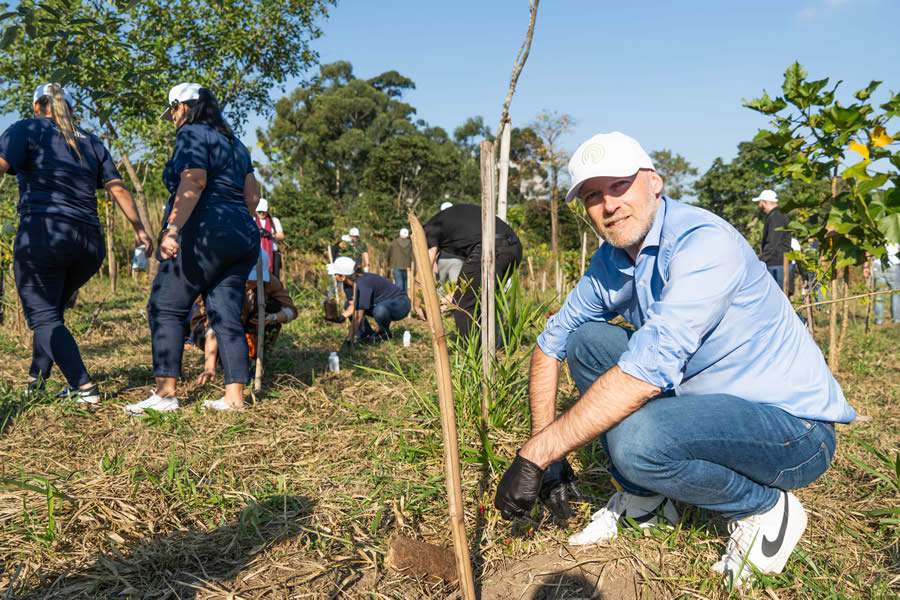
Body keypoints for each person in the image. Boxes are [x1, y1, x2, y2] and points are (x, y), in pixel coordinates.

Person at [493, 132, 855, 586]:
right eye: (592, 196)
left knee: (638, 440)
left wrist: (536, 455)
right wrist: (548, 451)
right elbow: (551, 344)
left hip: (791, 429)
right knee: (586, 340)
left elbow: (647, 373)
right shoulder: (613, 260)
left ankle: (763, 509)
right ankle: (648, 498)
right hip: (704, 403)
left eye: (619, 186)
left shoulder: (703, 243)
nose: (608, 205)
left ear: (655, 182)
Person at [0, 83, 153, 403]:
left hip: (44, 235)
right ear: (71, 109)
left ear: (35, 106)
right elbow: (118, 188)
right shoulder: (92, 142)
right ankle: (36, 379)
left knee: (42, 316)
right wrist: (140, 229)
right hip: (88, 245)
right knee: (51, 311)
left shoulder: (26, 130)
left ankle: (83, 387)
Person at [125, 83, 260, 415]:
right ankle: (233, 398)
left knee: (165, 307)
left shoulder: (192, 134)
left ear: (183, 107)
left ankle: (165, 393)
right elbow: (253, 196)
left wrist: (172, 229)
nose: (172, 117)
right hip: (242, 234)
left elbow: (194, 180)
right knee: (226, 314)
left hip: (203, 233)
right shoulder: (236, 144)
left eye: (172, 110)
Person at [190, 252, 297, 407]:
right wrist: (209, 366)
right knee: (209, 332)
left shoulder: (270, 283)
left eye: (255, 280)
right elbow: (214, 327)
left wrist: (272, 317)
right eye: (249, 279)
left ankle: (254, 358)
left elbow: (291, 310)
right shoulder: (221, 284)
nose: (252, 283)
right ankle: (229, 362)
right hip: (212, 326)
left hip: (248, 322)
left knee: (274, 308)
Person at [423, 203, 523, 340]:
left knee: (464, 306)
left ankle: (473, 356)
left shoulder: (429, 230)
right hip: (514, 249)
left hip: (490, 247)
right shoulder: (456, 227)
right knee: (483, 298)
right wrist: (453, 296)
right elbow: (472, 280)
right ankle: (492, 345)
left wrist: (420, 301)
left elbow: (425, 268)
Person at [331, 256, 410, 343]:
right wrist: (342, 317)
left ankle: (384, 333)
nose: (334, 276)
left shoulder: (363, 284)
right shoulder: (347, 285)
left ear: (343, 276)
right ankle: (366, 335)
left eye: (335, 274)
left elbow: (358, 316)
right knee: (347, 305)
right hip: (380, 305)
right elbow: (353, 305)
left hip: (400, 304)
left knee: (380, 310)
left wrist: (349, 339)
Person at [754, 189, 793, 294]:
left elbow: (772, 242)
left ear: (765, 202)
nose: (759, 205)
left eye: (760, 203)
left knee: (778, 297)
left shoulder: (776, 216)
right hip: (778, 262)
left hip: (777, 264)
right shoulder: (777, 215)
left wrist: (760, 261)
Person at [867, 243, 900, 325]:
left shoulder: (875, 232)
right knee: (896, 293)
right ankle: (896, 319)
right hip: (894, 264)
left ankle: (879, 320)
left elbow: (869, 249)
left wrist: (866, 266)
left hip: (878, 265)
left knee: (878, 295)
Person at [254, 197, 285, 278]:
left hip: (273, 254)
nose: (261, 213)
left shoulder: (274, 221)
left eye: (263, 211)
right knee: (257, 281)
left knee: (275, 279)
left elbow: (281, 236)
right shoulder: (252, 220)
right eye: (259, 211)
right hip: (257, 254)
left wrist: (270, 234)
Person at [435, 201, 463, 285]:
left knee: (440, 288)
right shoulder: (460, 224)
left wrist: (433, 263)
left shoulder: (437, 225)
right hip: (457, 260)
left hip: (442, 260)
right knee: (455, 288)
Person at [388, 227, 412, 292]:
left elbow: (388, 254)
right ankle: (404, 299)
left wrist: (388, 264)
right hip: (406, 267)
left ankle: (399, 299)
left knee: (399, 285)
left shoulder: (394, 242)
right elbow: (413, 255)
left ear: (400, 234)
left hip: (396, 266)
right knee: (405, 285)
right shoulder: (410, 243)